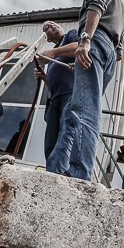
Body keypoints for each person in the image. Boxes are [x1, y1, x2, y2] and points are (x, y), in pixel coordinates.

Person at [47, 0, 124, 181]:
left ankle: (78, 173)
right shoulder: (121, 6)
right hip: (109, 53)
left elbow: (95, 4)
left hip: (96, 40)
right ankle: (57, 167)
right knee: (80, 110)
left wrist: (85, 41)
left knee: (83, 111)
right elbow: (120, 50)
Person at [34, 21, 78, 160]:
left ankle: (63, 171)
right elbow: (53, 84)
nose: (52, 26)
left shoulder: (71, 35)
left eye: (53, 24)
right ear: (47, 37)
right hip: (55, 99)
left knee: (65, 135)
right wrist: (44, 77)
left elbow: (79, 46)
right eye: (47, 27)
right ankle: (51, 170)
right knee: (50, 141)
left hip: (70, 95)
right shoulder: (53, 54)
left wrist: (53, 53)